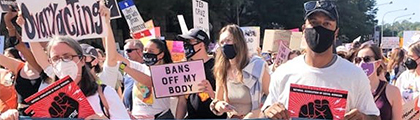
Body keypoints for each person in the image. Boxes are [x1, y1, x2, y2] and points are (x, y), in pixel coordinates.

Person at [262, 1, 380, 119]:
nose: (319, 28)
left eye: (327, 24)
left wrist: (364, 118)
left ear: (336, 32)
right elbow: (267, 110)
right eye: (314, 23)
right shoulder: (284, 72)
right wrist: (270, 111)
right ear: (304, 29)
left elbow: (375, 117)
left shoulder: (355, 75)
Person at [210, 24, 270, 119]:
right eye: (222, 42)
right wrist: (220, 106)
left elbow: (271, 97)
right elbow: (218, 99)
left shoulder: (258, 66)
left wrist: (257, 113)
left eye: (228, 40)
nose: (225, 45)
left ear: (239, 42)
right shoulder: (222, 69)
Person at [175, 28, 227, 119]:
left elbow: (226, 98)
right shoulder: (185, 68)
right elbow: (182, 101)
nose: (186, 45)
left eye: (190, 42)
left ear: (201, 45)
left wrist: (211, 93)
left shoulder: (217, 66)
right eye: (185, 42)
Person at [353, 44, 402, 120]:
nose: (361, 64)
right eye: (358, 60)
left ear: (377, 63)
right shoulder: (351, 89)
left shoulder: (392, 91)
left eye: (367, 59)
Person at [121, 39, 145, 111]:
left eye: (129, 51)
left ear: (140, 51)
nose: (126, 54)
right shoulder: (126, 69)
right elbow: (126, 89)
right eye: (125, 51)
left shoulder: (146, 68)